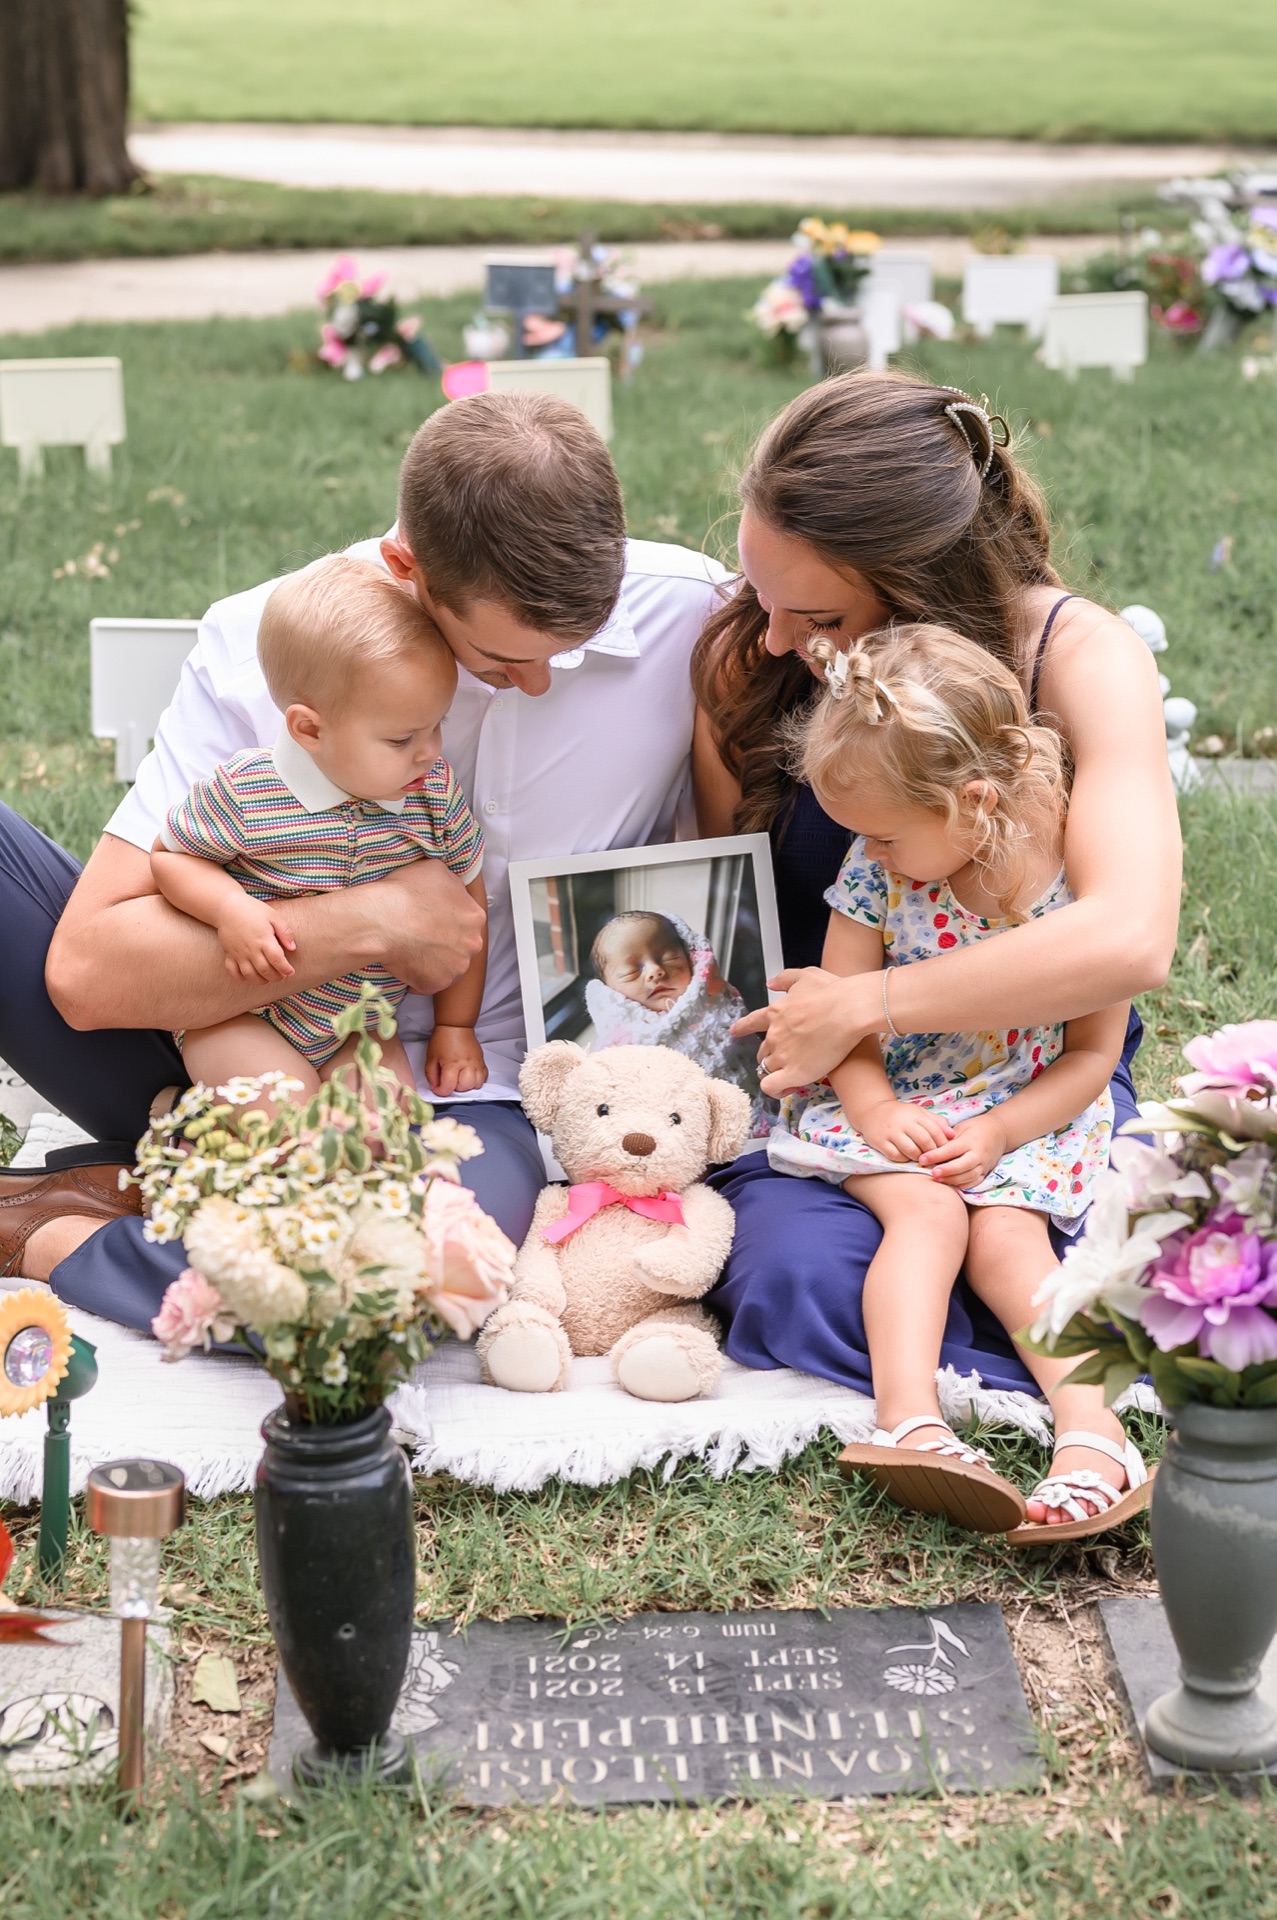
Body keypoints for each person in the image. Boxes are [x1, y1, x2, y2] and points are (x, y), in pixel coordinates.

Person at [0, 391, 728, 1320]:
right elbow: (88, 976)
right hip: (220, 1052)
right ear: (405, 568)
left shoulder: (690, 617)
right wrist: (371, 923)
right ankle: (171, 1186)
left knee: (407, 1292)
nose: (541, 683)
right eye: (501, 660)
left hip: (472, 1097)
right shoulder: (258, 645)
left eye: (569, 651)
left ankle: (66, 1232)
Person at [693, 371, 1180, 1530]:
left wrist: (873, 1010)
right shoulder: (752, 656)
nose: (775, 638)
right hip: (841, 1083)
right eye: (762, 596)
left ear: (916, 582)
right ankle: (932, 1399)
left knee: (1076, 1245)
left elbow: (1128, 937)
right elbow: (719, 904)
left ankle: (1072, 1413)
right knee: (792, 1282)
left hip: (1024, 1075)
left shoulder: (1071, 656)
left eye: (815, 617)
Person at [767, 622, 1146, 1539]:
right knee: (927, 1214)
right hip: (889, 1094)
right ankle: (910, 1419)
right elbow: (842, 1022)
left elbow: (1091, 1055)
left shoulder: (1067, 889)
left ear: (974, 802)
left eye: (888, 835)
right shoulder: (877, 873)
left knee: (1008, 1240)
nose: (870, 852)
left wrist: (1003, 1133)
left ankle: (1094, 1433)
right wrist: (876, 1106)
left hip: (1023, 1100)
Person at [151, 555, 487, 1103]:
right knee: (283, 1110)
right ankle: (188, 1135)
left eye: (437, 725)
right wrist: (230, 910)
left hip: (361, 1023)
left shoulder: (433, 794)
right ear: (309, 728)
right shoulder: (247, 789)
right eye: (402, 740)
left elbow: (470, 908)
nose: (430, 752)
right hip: (245, 1014)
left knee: (383, 1129)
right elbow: (170, 856)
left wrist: (456, 1025)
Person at [584, 910, 763, 1117]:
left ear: (691, 958)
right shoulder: (619, 1044)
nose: (655, 971)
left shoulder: (718, 1003)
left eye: (670, 958)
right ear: (611, 991)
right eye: (630, 972)